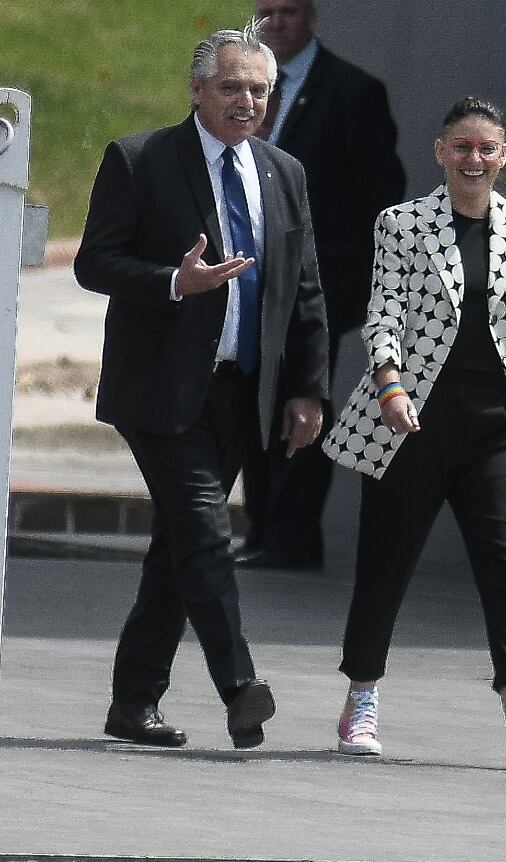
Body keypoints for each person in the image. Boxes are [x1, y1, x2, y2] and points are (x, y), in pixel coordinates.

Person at [74, 23, 329, 748]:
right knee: (207, 532)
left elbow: (305, 287)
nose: (245, 101)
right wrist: (173, 283)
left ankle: (133, 702)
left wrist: (308, 389)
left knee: (180, 547)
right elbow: (95, 262)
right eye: (230, 87)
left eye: (257, 89)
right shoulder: (141, 158)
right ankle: (239, 684)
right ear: (196, 90)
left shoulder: (284, 173)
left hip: (242, 391)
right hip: (160, 388)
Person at [322, 97, 506, 769]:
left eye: (486, 149)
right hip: (413, 417)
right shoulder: (403, 225)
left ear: (503, 157)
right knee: (386, 562)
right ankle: (362, 696)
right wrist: (389, 383)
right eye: (461, 147)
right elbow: (382, 312)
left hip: (496, 423)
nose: (473, 159)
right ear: (440, 152)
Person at [237, 0, 406, 570]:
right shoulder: (239, 84)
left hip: (320, 279)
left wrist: (372, 275)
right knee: (251, 397)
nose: (276, 23)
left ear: (311, 17)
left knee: (303, 394)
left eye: (288, 12)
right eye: (266, 12)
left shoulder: (353, 92)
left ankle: (293, 536)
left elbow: (383, 190)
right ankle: (261, 528)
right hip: (248, 274)